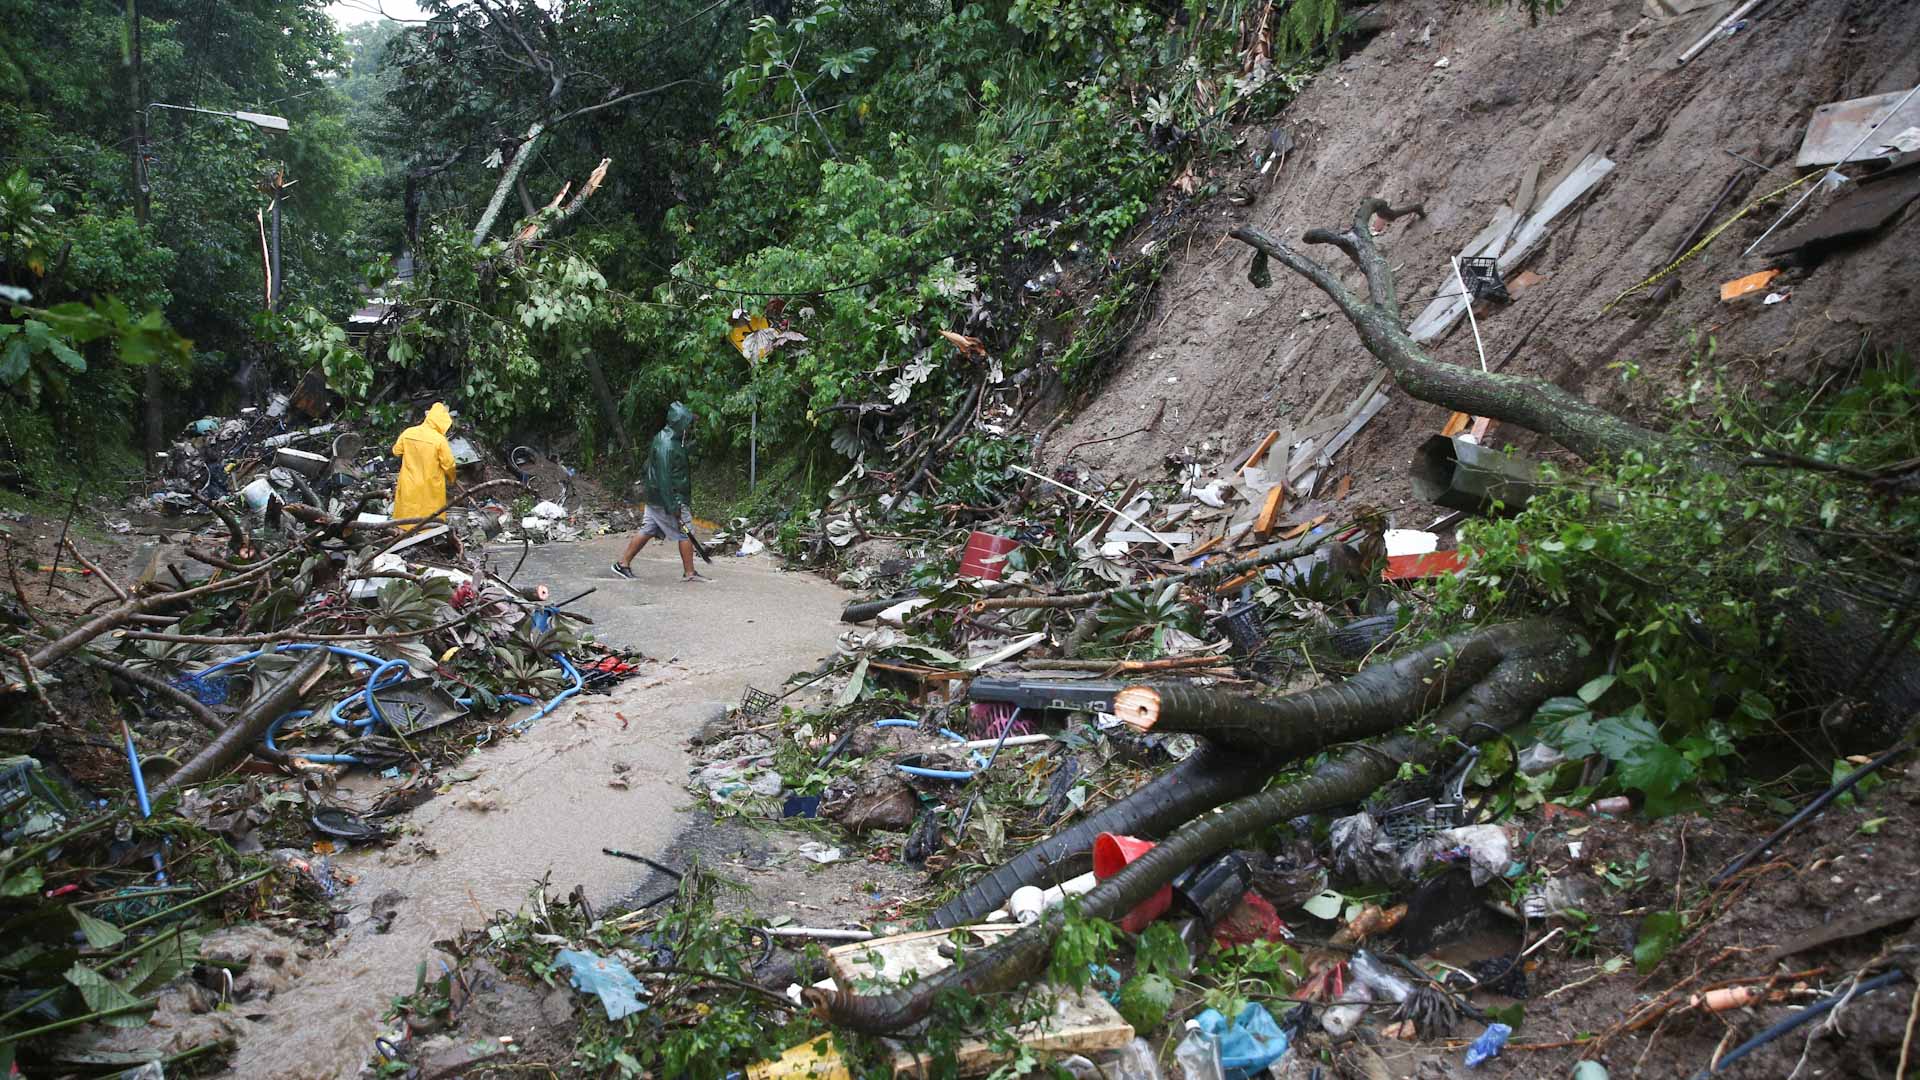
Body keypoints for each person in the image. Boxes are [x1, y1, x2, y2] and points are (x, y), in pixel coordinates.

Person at [613, 401, 709, 582]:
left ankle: (622, 564)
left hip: (655, 496)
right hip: (667, 497)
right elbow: (664, 477)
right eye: (687, 424)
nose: (689, 427)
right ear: (680, 424)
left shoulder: (668, 438)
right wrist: (672, 504)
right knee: (685, 531)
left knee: (648, 529)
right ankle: (689, 572)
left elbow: (672, 460)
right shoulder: (667, 445)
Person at [391, 402, 458, 530]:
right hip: (430, 484)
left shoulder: (408, 432)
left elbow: (396, 451)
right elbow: (448, 465)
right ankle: (427, 536)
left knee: (406, 512)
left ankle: (404, 533)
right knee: (430, 516)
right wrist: (452, 478)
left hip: (409, 481)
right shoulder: (439, 440)